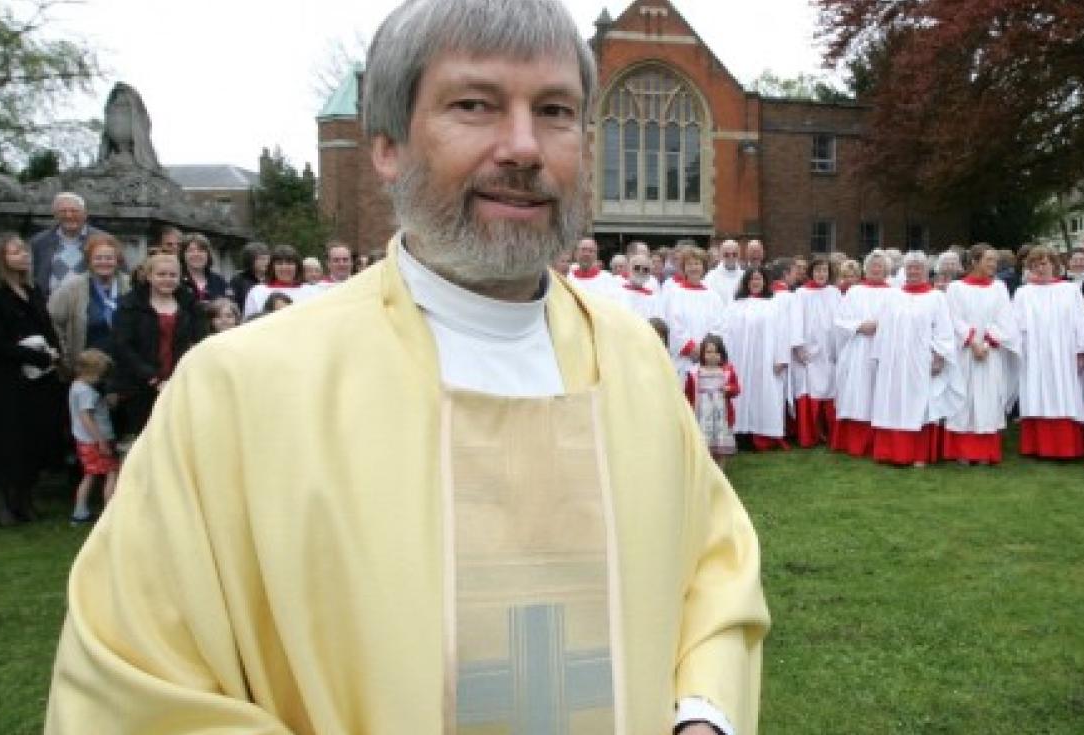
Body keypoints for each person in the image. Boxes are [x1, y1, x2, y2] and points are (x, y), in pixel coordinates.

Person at [48, 2, 767, 733]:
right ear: (386, 145)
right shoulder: (237, 391)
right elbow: (135, 677)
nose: (522, 147)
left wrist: (703, 713)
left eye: (553, 111)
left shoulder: (632, 361)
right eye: (474, 105)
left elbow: (715, 562)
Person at [0, 235, 67, 526]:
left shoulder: (32, 289)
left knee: (34, 438)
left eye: (25, 250)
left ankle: (25, 498)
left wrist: (54, 354)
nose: (24, 255)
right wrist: (35, 356)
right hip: (9, 379)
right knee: (8, 439)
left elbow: (47, 326)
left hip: (40, 378)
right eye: (16, 252)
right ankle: (2, 501)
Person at [868, 251, 959, 467]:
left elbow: (944, 329)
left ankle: (918, 453)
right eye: (910, 268)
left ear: (926, 271)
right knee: (893, 402)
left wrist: (939, 356)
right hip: (894, 360)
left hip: (920, 360)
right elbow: (883, 327)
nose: (914, 271)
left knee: (918, 404)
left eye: (918, 268)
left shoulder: (936, 297)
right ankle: (889, 452)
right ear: (904, 270)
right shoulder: (893, 296)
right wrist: (880, 355)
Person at [111, 253, 207, 437]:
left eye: (172, 275)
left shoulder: (190, 305)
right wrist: (152, 377)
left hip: (179, 381)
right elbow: (122, 346)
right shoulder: (130, 305)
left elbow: (200, 340)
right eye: (161, 274)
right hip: (140, 386)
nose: (167, 279)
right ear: (149, 276)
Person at [1013, 246, 1084, 459]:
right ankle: (1037, 445)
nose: (1040, 268)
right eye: (1035, 264)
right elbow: (1016, 324)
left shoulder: (1069, 290)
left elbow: (1081, 322)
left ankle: (1066, 446)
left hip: (1064, 353)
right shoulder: (1023, 293)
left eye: (1044, 263)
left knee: (1063, 392)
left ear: (1054, 265)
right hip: (1035, 354)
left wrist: (1081, 350)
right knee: (1037, 393)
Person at [942, 248, 1019, 465]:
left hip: (989, 353)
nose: (993, 264)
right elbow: (953, 318)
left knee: (987, 398)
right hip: (965, 352)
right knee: (964, 398)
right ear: (974, 261)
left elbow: (1006, 320)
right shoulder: (956, 288)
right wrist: (972, 341)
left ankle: (986, 452)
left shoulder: (999, 288)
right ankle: (962, 451)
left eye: (995, 260)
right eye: (989, 260)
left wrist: (987, 342)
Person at [716, 268, 795, 451]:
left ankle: (763, 435)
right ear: (746, 282)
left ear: (765, 281)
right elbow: (725, 331)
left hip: (766, 359)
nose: (755, 282)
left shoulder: (774, 304)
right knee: (740, 395)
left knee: (765, 394)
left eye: (759, 278)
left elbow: (783, 332)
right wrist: (724, 360)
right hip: (740, 358)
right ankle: (740, 433)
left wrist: (781, 358)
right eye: (752, 279)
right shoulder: (735, 305)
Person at [831, 250, 893, 457]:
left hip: (884, 347)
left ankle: (880, 441)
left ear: (886, 269)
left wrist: (882, 326)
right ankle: (856, 442)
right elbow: (840, 320)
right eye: (873, 266)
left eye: (880, 266)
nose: (876, 269)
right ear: (866, 269)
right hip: (859, 347)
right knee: (859, 392)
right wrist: (859, 325)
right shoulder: (855, 292)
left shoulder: (894, 293)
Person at [47, 233, 131, 376]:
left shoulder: (131, 286)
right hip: (86, 369)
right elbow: (53, 323)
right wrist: (65, 359)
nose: (104, 262)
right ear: (89, 261)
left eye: (109, 258)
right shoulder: (71, 288)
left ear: (117, 261)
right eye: (98, 258)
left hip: (125, 369)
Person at [791, 258, 842, 447]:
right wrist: (798, 346)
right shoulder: (801, 294)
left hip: (829, 350)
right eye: (818, 270)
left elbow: (840, 319)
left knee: (830, 389)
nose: (821, 274)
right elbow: (795, 321)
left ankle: (829, 433)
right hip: (808, 352)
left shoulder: (834, 293)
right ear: (811, 272)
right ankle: (809, 435)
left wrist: (839, 347)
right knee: (809, 389)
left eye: (825, 271)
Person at [68, 349, 120, 525]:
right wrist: (101, 440)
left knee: (90, 475)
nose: (101, 378)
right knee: (112, 472)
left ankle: (80, 512)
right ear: (89, 372)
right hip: (96, 440)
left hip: (84, 440)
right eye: (100, 374)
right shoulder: (85, 392)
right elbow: (86, 417)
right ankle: (111, 513)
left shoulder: (77, 386)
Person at [662, 245, 727, 376]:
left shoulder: (713, 296)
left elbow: (719, 325)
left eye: (697, 263)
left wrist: (707, 350)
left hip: (708, 360)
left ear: (703, 267)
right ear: (684, 268)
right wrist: (691, 348)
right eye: (689, 264)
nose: (693, 268)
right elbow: (673, 325)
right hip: (683, 359)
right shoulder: (674, 294)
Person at [31, 192, 108, 295]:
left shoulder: (103, 239)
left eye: (74, 211)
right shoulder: (40, 241)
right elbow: (36, 277)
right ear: (55, 215)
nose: (69, 215)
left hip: (91, 305)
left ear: (85, 214)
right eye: (63, 211)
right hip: (51, 305)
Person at [685, 334, 740, 466]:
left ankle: (720, 471)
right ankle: (706, 471)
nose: (712, 355)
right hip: (702, 415)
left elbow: (736, 388)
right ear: (703, 354)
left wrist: (728, 389)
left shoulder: (727, 371)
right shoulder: (694, 373)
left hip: (721, 417)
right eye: (709, 352)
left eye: (716, 352)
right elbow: (688, 395)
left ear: (721, 354)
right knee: (704, 445)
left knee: (721, 447)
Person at [242, 245, 310, 318]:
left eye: (289, 263)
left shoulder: (311, 291)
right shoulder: (257, 292)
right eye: (279, 263)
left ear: (297, 266)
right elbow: (249, 322)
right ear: (272, 267)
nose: (284, 267)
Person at [179, 233, 230, 303]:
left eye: (201, 250)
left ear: (208, 254)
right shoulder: (177, 280)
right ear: (183, 255)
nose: (196, 254)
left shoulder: (219, 281)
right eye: (190, 250)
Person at [617, 252, 663, 319]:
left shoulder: (653, 298)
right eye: (637, 268)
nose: (641, 271)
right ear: (629, 269)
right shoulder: (618, 292)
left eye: (645, 269)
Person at [229, 242, 270, 310]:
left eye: (268, 259)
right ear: (250, 261)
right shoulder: (238, 280)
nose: (266, 262)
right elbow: (232, 304)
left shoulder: (272, 278)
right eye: (261, 259)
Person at [702, 239, 745, 303]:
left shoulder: (745, 276)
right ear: (720, 256)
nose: (731, 257)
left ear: (739, 255)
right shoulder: (711, 277)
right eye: (726, 255)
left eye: (734, 254)